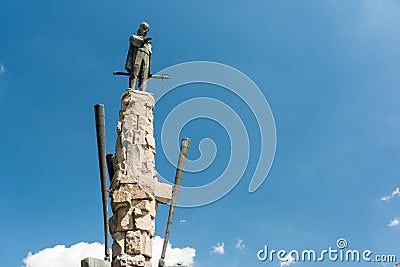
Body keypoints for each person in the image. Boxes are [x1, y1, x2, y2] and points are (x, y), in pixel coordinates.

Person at [125, 21, 152, 91]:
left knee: (144, 75)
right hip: (138, 54)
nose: (146, 31)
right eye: (144, 29)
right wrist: (143, 41)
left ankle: (142, 91)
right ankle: (132, 88)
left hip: (146, 57)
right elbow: (136, 42)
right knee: (135, 72)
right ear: (140, 29)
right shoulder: (134, 37)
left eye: (147, 30)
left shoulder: (149, 44)